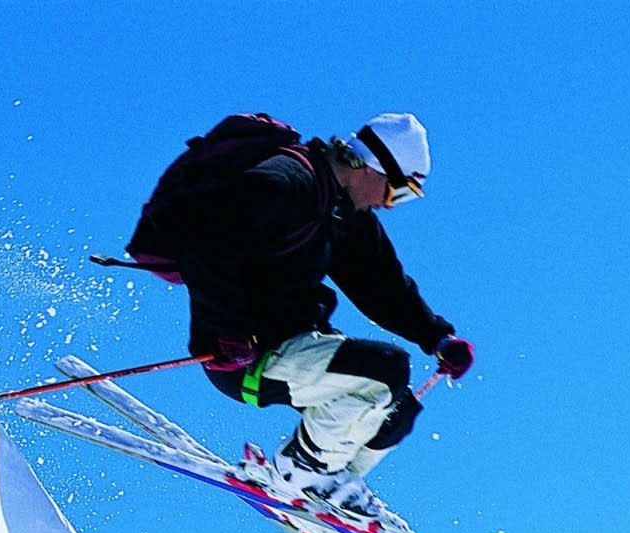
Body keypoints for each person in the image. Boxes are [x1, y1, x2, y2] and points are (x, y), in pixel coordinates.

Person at [174, 112, 473, 500]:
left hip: (295, 345)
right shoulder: (287, 182)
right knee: (386, 371)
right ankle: (301, 472)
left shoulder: (343, 212)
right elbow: (205, 243)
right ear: (371, 167)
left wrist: (437, 338)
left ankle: (338, 490)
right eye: (396, 192)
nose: (389, 205)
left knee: (396, 409)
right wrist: (226, 329)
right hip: (244, 355)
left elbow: (382, 286)